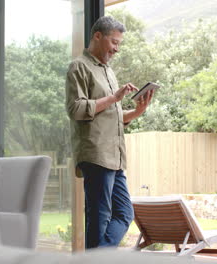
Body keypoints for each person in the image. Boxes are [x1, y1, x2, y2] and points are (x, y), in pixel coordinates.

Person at [65, 16, 154, 249]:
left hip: (115, 158)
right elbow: (76, 108)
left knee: (124, 213)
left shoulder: (108, 71)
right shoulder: (79, 67)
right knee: (99, 218)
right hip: (95, 155)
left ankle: (96, 258)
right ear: (97, 36)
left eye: (118, 44)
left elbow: (112, 116)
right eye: (114, 42)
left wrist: (137, 111)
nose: (116, 49)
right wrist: (114, 97)